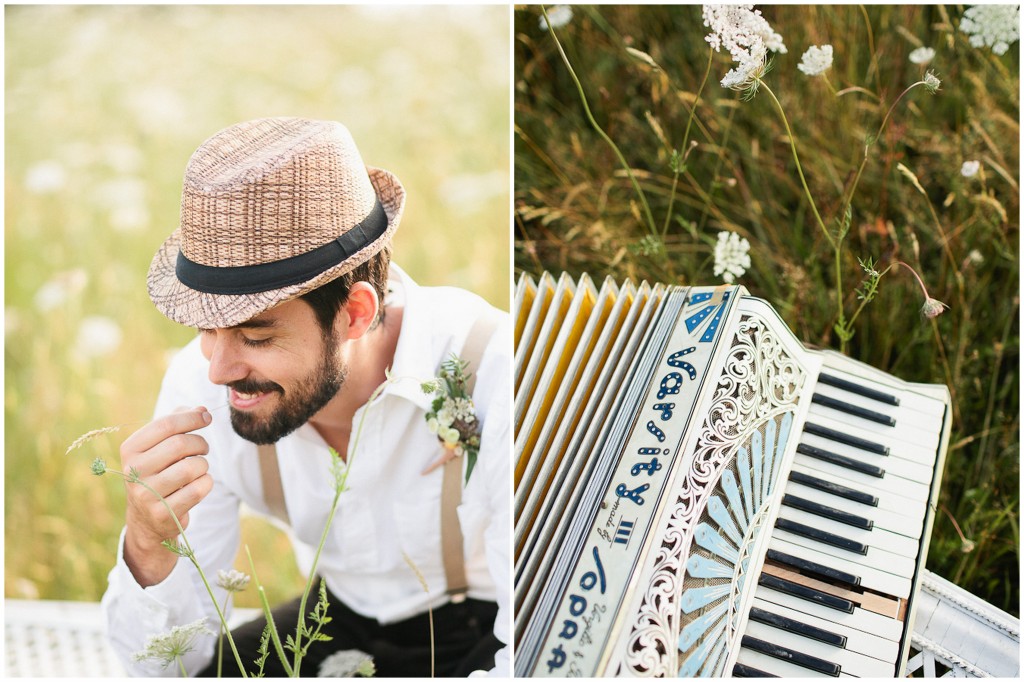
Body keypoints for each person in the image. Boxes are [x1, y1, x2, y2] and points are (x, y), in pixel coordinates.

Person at [100, 117, 510, 677]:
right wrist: (148, 545)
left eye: (256, 335)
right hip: (334, 618)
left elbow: (538, 642)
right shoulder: (200, 387)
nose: (219, 370)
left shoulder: (493, 371)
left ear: (355, 314)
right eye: (207, 328)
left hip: (486, 631)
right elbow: (164, 667)